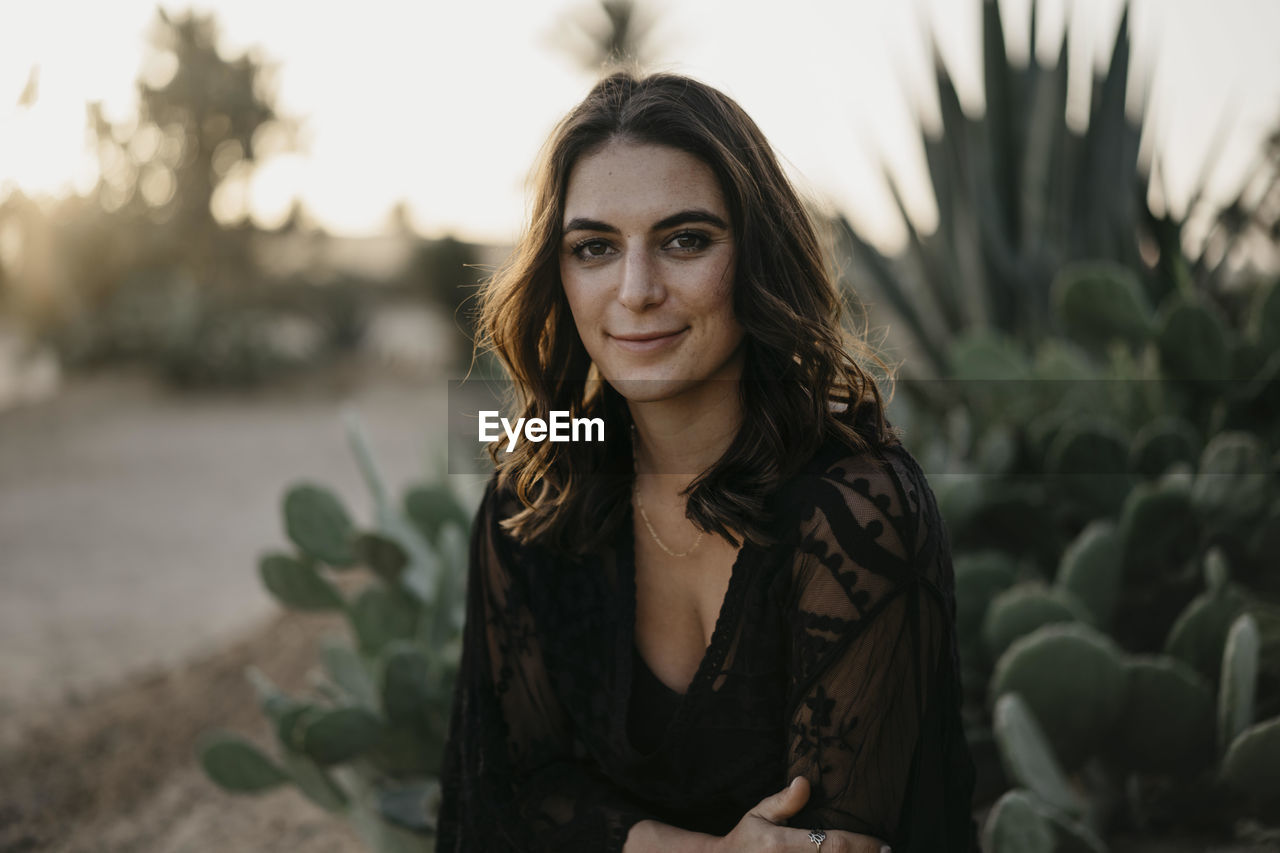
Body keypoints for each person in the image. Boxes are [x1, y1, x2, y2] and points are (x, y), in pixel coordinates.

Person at [437, 71, 979, 853]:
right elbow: (510, 795)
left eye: (685, 240)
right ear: (560, 276)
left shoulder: (855, 509)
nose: (636, 289)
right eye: (594, 247)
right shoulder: (538, 496)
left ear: (758, 257)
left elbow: (834, 844)